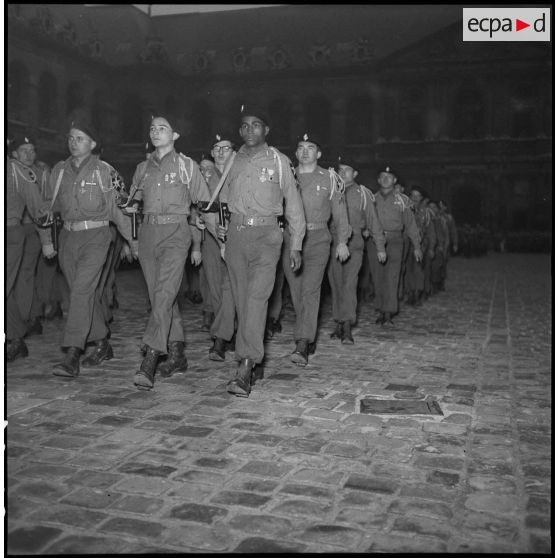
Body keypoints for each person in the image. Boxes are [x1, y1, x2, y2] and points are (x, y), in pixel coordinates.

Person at [219, 104, 305, 397]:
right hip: (237, 235)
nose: (249, 130)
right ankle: (254, 360)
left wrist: (296, 244)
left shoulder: (280, 161)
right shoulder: (232, 160)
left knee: (257, 298)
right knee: (243, 302)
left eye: (256, 124)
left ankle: (245, 364)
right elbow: (221, 198)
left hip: (268, 235)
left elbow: (293, 204)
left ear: (266, 129)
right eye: (244, 125)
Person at [128, 115, 220, 390]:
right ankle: (178, 352)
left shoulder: (186, 166)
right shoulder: (142, 168)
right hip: (148, 234)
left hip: (175, 233)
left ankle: (151, 357)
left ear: (175, 135)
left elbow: (205, 205)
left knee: (164, 293)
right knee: (161, 295)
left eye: (163, 128)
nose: (156, 132)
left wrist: (222, 240)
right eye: (153, 128)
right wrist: (130, 237)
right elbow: (132, 205)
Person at [49, 121, 137, 378]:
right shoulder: (59, 170)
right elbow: (48, 208)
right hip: (67, 237)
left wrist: (133, 241)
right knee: (84, 294)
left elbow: (119, 210)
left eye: (80, 138)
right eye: (71, 138)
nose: (73, 142)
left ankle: (73, 352)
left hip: (97, 236)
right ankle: (102, 343)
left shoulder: (105, 171)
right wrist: (46, 239)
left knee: (80, 291)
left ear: (93, 144)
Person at [285, 133, 351, 365]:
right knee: (296, 292)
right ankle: (308, 332)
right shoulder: (286, 176)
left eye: (310, 147)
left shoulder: (330, 178)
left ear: (319, 153)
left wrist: (342, 240)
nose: (305, 151)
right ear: (295, 153)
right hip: (290, 240)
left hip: (318, 239)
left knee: (311, 291)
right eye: (301, 147)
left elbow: (340, 214)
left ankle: (302, 342)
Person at [6, 136, 54, 362]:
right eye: (22, 150)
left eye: (31, 149)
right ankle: (15, 338)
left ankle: (17, 334)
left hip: (11, 232)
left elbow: (39, 208)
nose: (28, 154)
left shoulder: (17, 171)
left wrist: (46, 241)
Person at [328, 155, 386, 343]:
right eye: (340, 169)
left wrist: (380, 247)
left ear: (355, 173)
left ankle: (347, 325)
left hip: (355, 243)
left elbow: (373, 221)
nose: (343, 173)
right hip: (332, 243)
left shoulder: (363, 194)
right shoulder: (330, 191)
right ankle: (339, 321)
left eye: (348, 170)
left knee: (349, 283)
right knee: (336, 283)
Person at [370, 166, 422, 326]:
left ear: (394, 180)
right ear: (378, 180)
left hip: (395, 241)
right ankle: (380, 308)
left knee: (392, 276)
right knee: (378, 277)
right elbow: (364, 219)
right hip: (374, 242)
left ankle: (388, 312)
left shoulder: (403, 200)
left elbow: (411, 224)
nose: (385, 179)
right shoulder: (371, 199)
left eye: (389, 177)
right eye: (382, 176)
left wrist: (417, 246)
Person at [406, 186, 437, 305]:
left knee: (418, 269)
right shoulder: (405, 210)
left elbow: (431, 232)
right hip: (406, 244)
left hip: (420, 245)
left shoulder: (426, 213)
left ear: (421, 198)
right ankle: (409, 292)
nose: (414, 198)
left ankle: (417, 293)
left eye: (417, 196)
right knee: (408, 269)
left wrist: (431, 248)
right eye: (412, 195)